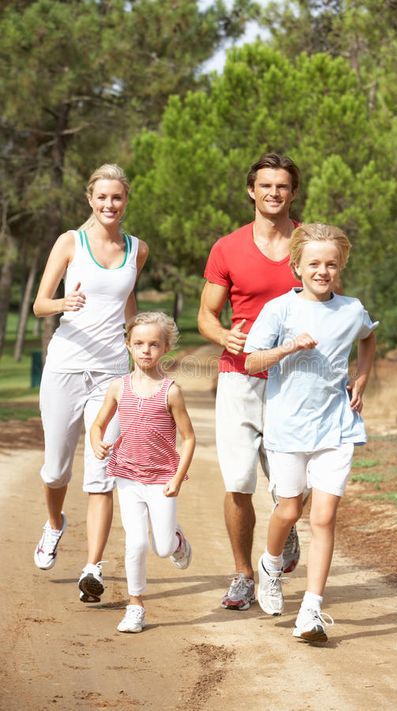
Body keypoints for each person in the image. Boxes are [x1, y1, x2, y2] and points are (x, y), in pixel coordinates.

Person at [244, 222, 377, 643]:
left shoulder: (352, 309)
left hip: (336, 426)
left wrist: (362, 377)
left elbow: (368, 339)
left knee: (324, 516)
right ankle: (270, 564)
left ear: (341, 267)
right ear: (296, 264)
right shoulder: (280, 310)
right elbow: (251, 362)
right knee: (288, 510)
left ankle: (312, 611)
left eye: (332, 264)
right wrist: (288, 348)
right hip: (287, 426)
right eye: (314, 263)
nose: (323, 271)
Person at [33, 163, 149, 603]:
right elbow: (41, 305)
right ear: (90, 199)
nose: (109, 204)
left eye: (116, 197)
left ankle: (93, 567)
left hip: (110, 373)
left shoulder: (137, 249)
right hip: (65, 366)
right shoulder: (69, 242)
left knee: (101, 472)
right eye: (102, 197)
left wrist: (142, 344)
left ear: (125, 200)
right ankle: (54, 523)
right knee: (56, 469)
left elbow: (128, 302)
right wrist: (66, 300)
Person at [198, 153, 303, 611]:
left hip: (294, 379)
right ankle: (243, 574)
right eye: (266, 186)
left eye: (282, 186)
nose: (273, 194)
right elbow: (206, 314)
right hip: (239, 376)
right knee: (239, 480)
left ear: (292, 192)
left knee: (288, 481)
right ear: (251, 190)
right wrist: (224, 335)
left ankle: (286, 525)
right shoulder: (228, 247)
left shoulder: (307, 243)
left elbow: (327, 299)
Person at [90, 312, 195, 633]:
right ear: (128, 346)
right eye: (139, 344)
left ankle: (176, 540)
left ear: (165, 348)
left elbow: (189, 438)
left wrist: (177, 478)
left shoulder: (170, 391)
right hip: (127, 477)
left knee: (161, 548)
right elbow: (98, 424)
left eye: (153, 344)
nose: (146, 350)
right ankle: (135, 605)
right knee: (135, 543)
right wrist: (97, 442)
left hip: (162, 480)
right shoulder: (118, 388)